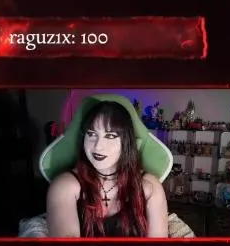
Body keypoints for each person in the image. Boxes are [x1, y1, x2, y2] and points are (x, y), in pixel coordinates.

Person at [44, 94, 169, 238]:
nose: (98, 146)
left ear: (126, 142)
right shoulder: (65, 186)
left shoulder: (150, 187)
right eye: (91, 134)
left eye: (110, 136)